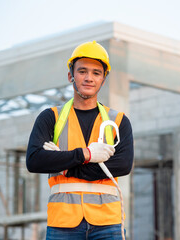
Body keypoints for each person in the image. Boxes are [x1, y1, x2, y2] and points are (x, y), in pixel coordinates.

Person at [26, 40, 134, 240]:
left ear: (103, 80)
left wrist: (66, 167)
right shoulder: (51, 117)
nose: (89, 78)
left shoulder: (118, 121)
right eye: (82, 71)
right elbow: (34, 160)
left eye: (96, 73)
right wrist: (86, 154)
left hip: (107, 222)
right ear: (70, 76)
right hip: (63, 222)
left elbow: (122, 165)